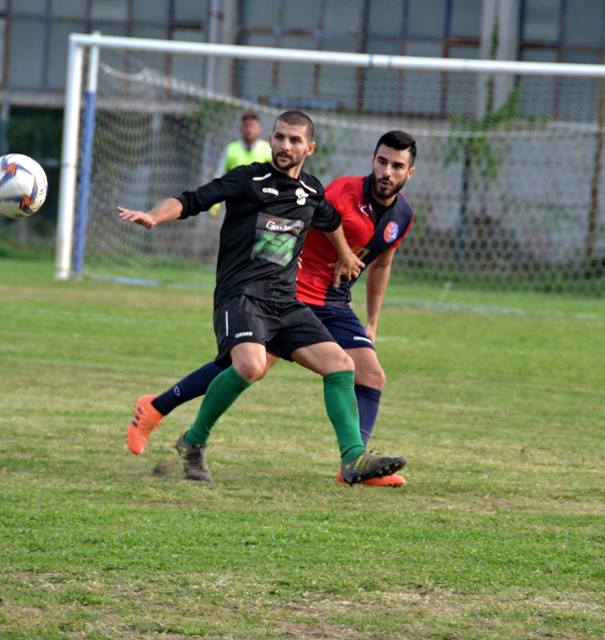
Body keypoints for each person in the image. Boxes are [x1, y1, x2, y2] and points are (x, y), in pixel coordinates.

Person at [118, 110, 407, 485]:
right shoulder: (248, 180)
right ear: (271, 139)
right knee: (251, 366)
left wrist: (346, 254)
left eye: (294, 140)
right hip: (241, 296)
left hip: (285, 302)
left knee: (341, 366)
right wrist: (156, 217)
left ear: (310, 147)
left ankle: (353, 460)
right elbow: (192, 199)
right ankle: (191, 439)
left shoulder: (311, 191)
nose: (285, 146)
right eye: (280, 137)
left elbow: (330, 220)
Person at [210, 112, 272, 218]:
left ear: (259, 129)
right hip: (236, 205)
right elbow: (219, 176)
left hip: (261, 206)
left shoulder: (268, 150)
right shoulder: (231, 149)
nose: (249, 130)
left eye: (252, 126)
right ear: (240, 129)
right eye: (245, 126)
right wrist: (214, 204)